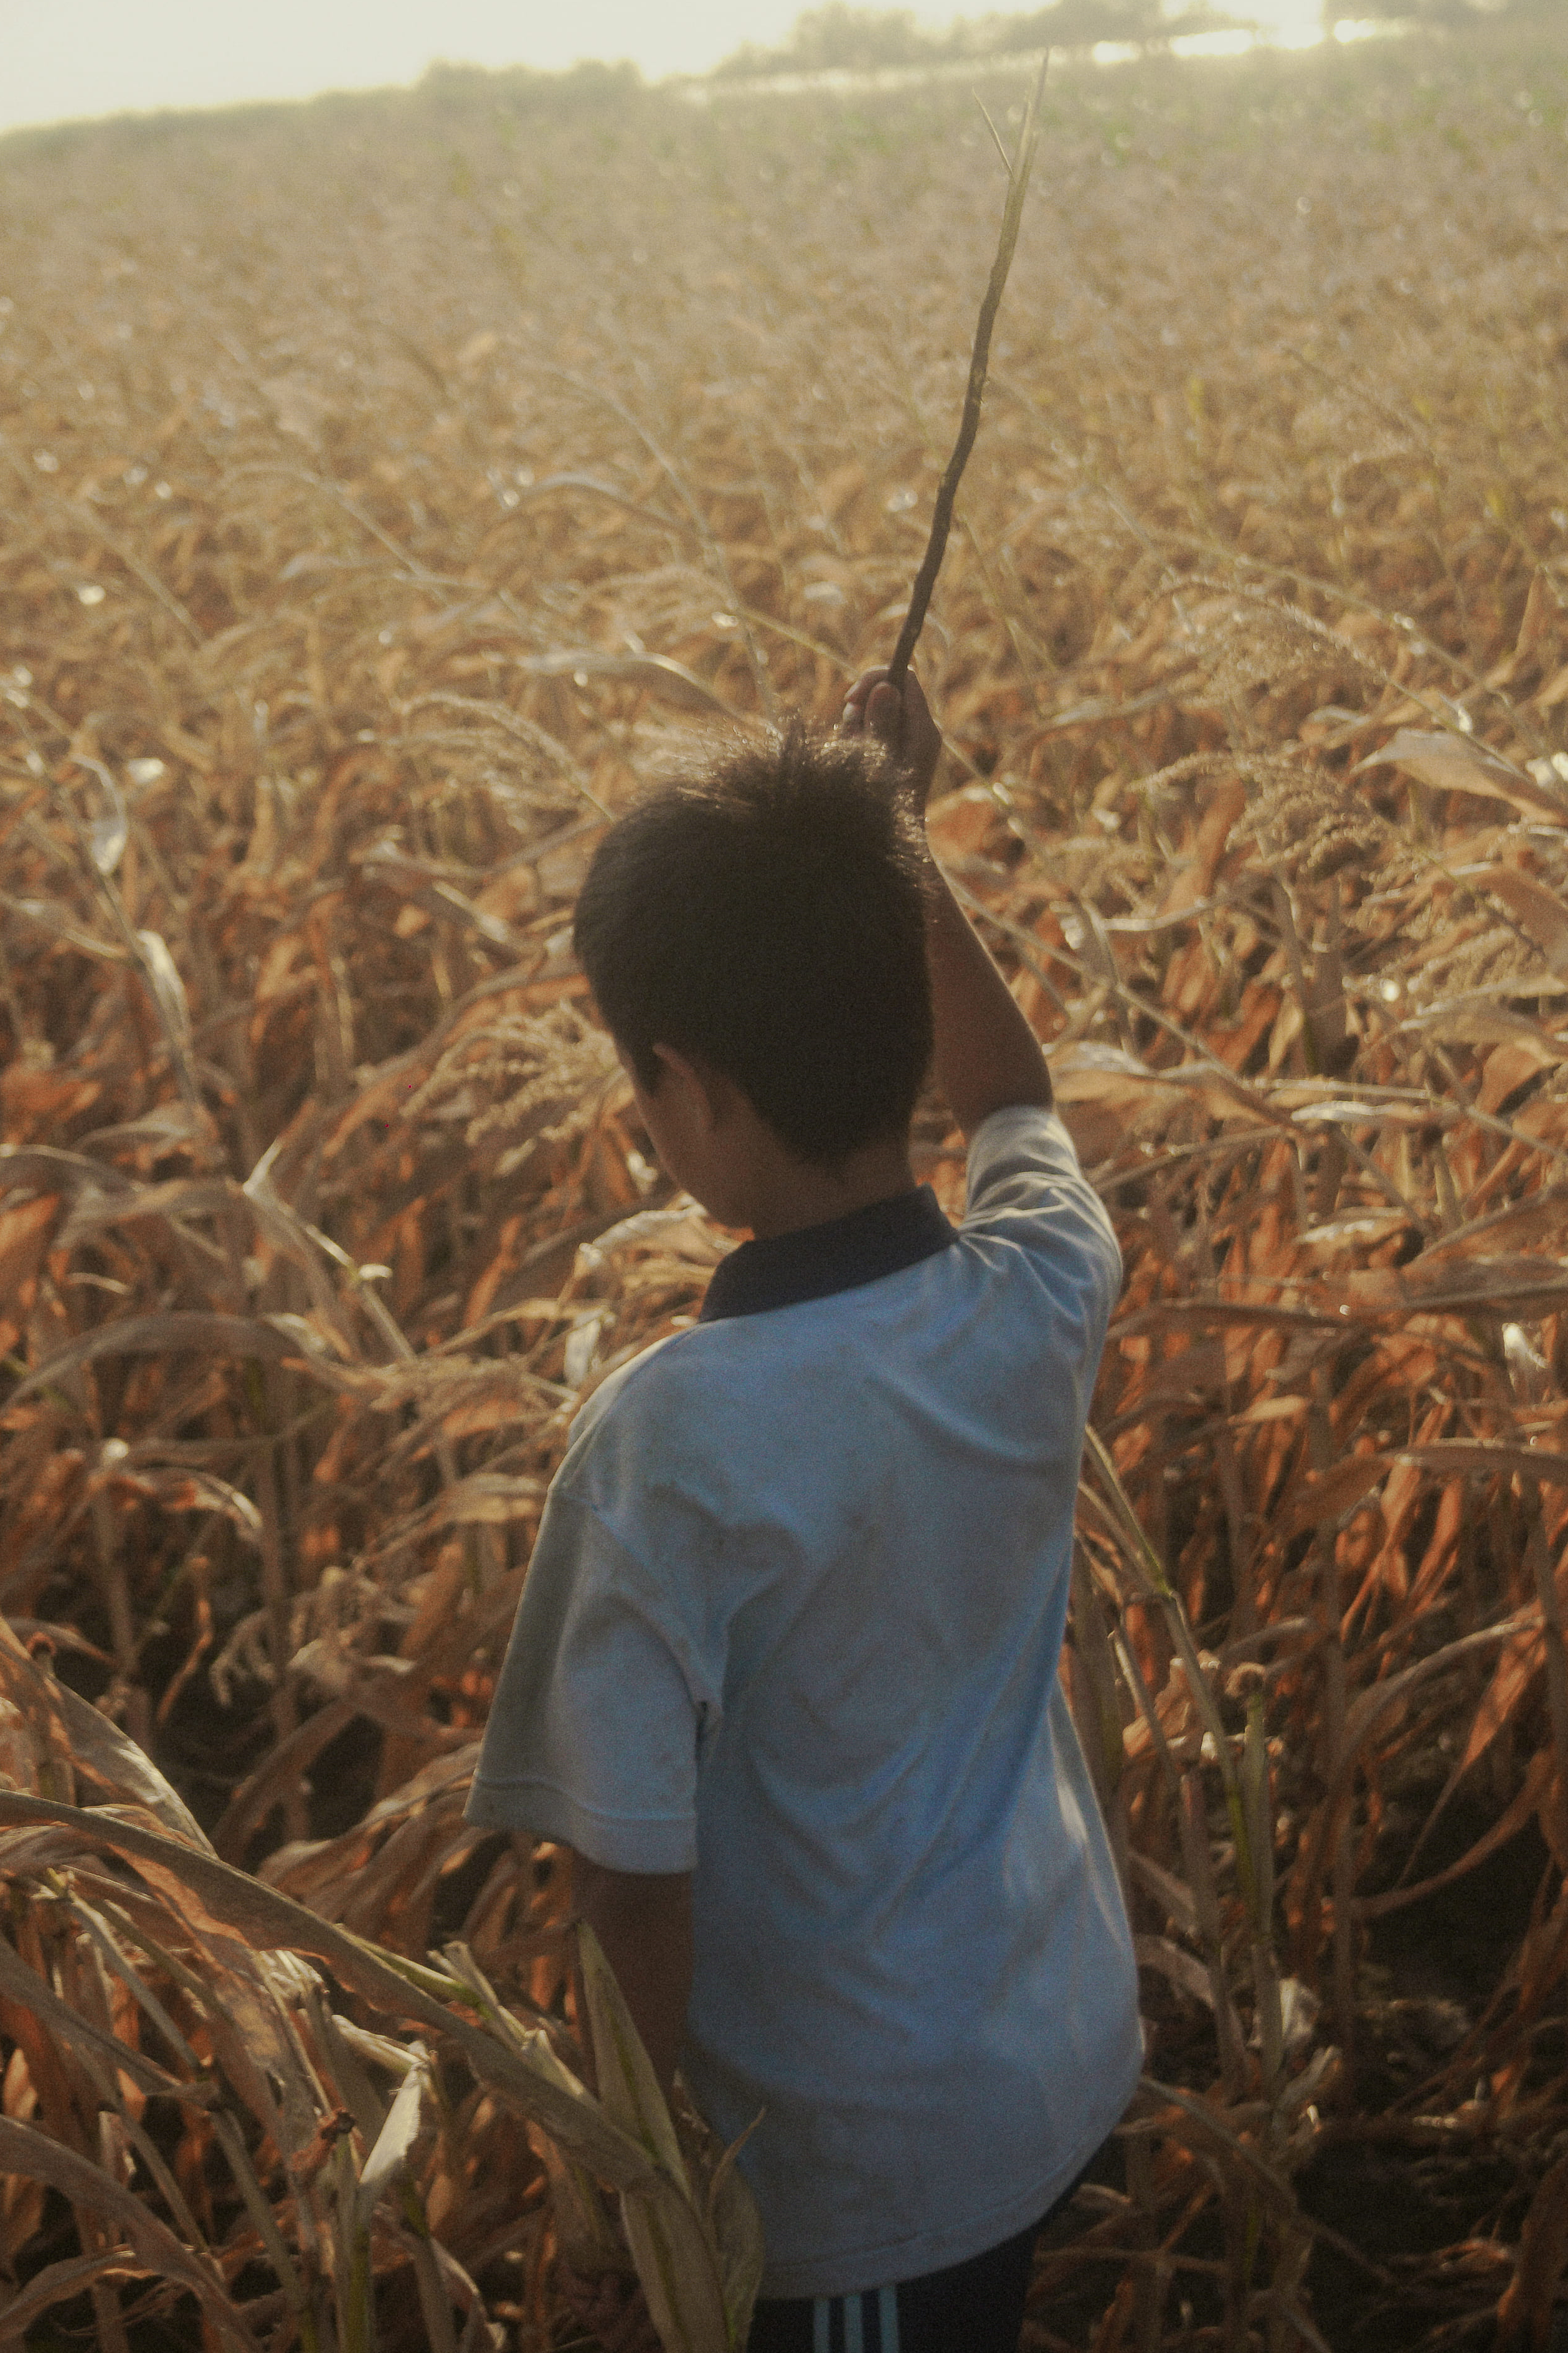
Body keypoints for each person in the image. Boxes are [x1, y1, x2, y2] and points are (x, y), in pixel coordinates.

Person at [467, 666, 1138, 2352]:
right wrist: (898, 853)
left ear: (686, 1085)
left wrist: (617, 2218)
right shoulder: (1040, 1291)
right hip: (1040, 2040)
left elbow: (633, 1891)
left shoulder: (670, 1440)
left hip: (856, 2179)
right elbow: (1014, 1101)